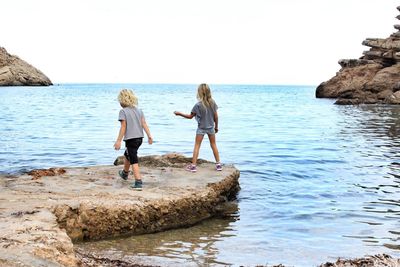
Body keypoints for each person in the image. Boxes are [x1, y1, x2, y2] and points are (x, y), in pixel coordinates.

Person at [174, 83, 222, 172]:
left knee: (197, 146)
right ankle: (218, 164)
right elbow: (216, 117)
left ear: (199, 93)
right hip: (211, 127)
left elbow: (190, 116)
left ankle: (193, 166)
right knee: (213, 145)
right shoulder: (213, 103)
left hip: (201, 128)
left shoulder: (198, 105)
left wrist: (179, 113)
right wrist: (216, 127)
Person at [114, 89, 153, 190]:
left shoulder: (123, 111)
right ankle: (125, 173)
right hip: (139, 138)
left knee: (133, 159)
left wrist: (118, 141)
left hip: (131, 139)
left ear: (122, 100)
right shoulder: (139, 111)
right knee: (127, 154)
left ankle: (138, 182)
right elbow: (144, 123)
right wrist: (149, 135)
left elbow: (123, 127)